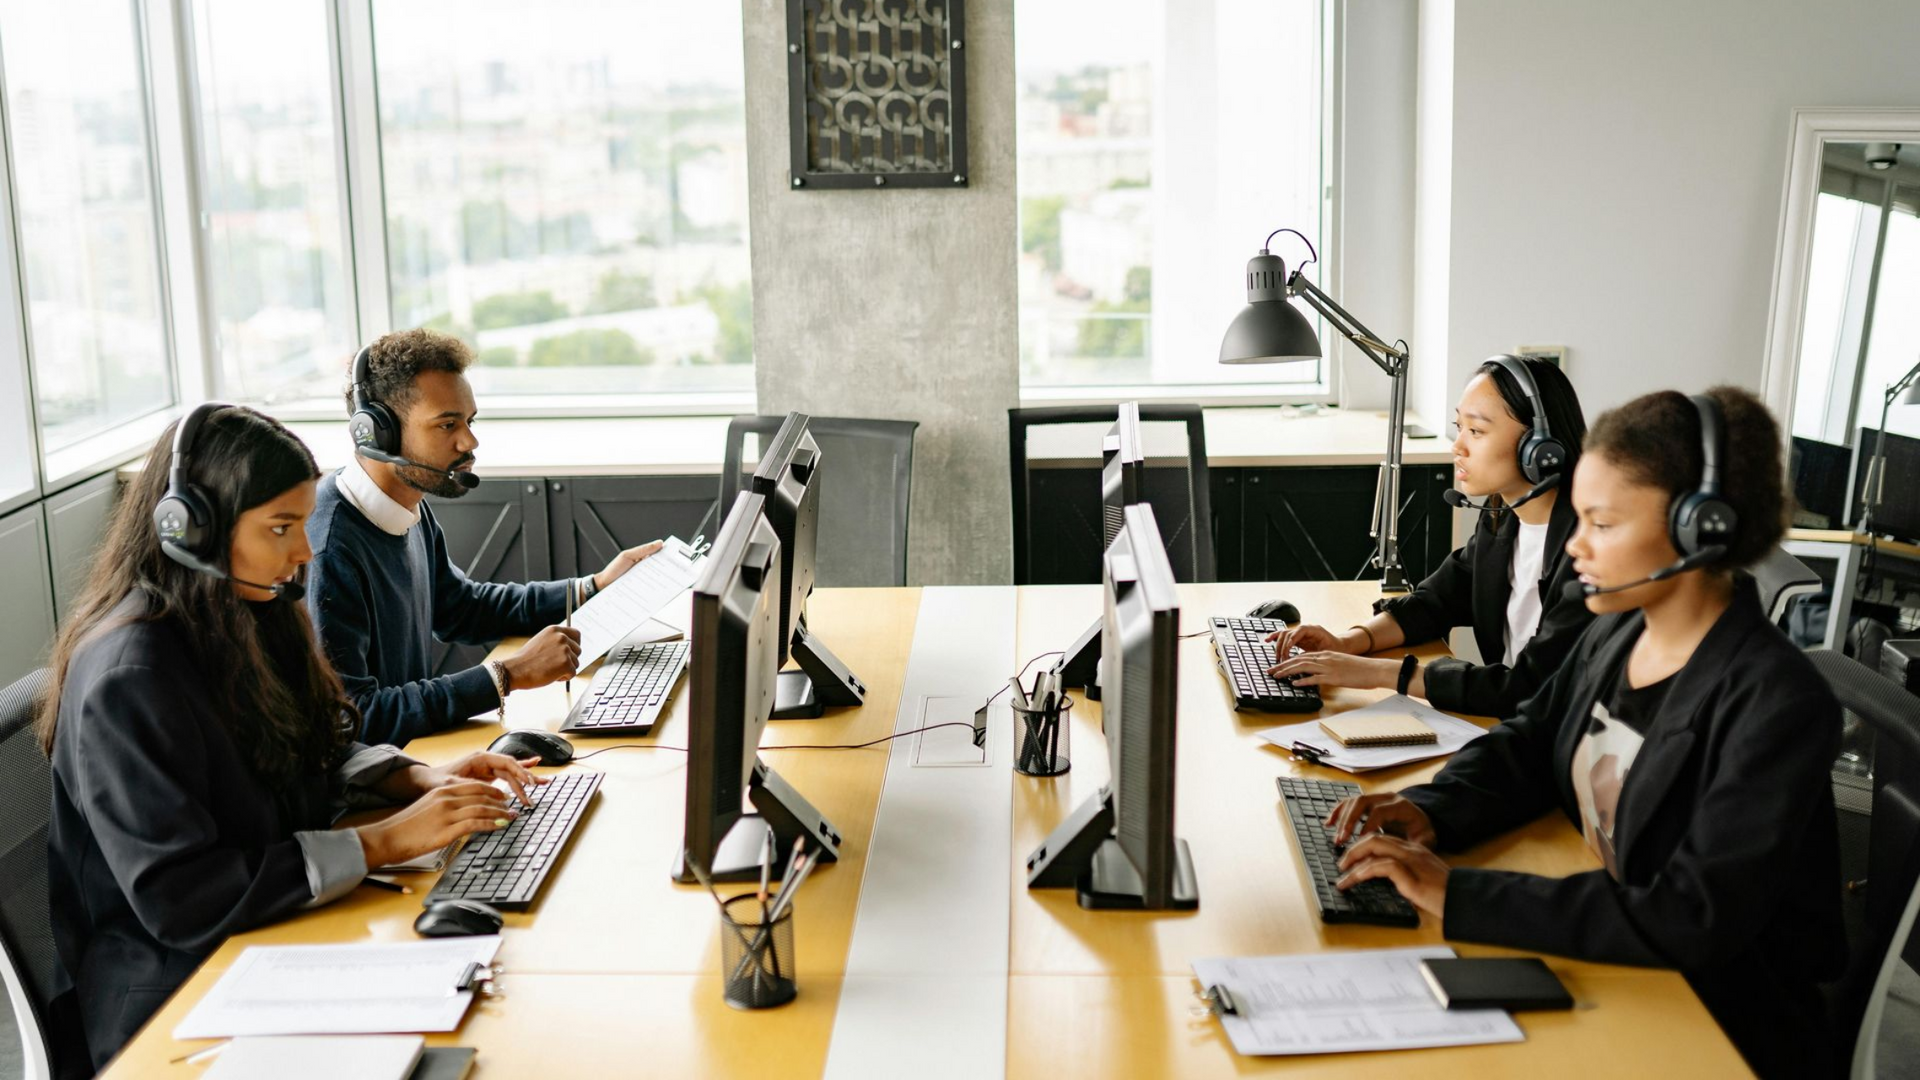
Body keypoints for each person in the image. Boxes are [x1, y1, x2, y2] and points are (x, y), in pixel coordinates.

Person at [1324, 386, 1845, 1078]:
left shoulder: (1776, 701)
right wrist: (1429, 809)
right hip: (1615, 960)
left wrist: (1460, 895)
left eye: (1601, 523)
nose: (1574, 546)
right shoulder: (1620, 631)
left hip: (1713, 1020)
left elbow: (1693, 912)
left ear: (1699, 529)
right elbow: (1530, 742)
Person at [39, 405, 544, 1070]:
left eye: (303, 523)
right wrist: (384, 840)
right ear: (189, 529)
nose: (305, 550)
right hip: (176, 995)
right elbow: (184, 899)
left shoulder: (244, 611)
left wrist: (416, 778)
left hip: (266, 943)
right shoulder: (129, 677)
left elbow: (314, 745)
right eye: (281, 528)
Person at [305, 329, 665, 745]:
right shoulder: (331, 549)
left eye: (469, 421)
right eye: (447, 424)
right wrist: (505, 675)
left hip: (414, 765)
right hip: (374, 792)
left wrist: (592, 587)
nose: (469, 441)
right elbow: (356, 716)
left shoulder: (408, 507)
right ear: (377, 433)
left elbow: (462, 609)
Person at [1268, 355, 1594, 718]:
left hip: (1559, 743)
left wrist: (1375, 673)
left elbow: (1529, 686)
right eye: (1459, 427)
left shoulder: (1589, 550)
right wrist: (1347, 642)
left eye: (1477, 431)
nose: (1458, 447)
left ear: (1538, 448)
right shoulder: (1501, 520)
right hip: (1513, 730)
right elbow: (1436, 601)